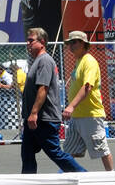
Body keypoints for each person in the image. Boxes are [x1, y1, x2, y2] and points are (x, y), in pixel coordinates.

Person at [21, 27, 86, 174]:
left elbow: (43, 88)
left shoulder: (44, 61)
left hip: (44, 118)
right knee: (27, 153)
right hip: (34, 119)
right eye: (27, 40)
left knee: (55, 152)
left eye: (31, 40)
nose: (28, 43)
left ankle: (83, 175)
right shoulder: (37, 61)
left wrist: (34, 113)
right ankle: (27, 183)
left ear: (42, 42)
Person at [61, 31, 114, 172]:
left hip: (90, 114)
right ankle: (66, 175)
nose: (70, 46)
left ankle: (112, 177)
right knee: (69, 151)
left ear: (83, 44)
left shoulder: (89, 61)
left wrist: (71, 106)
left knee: (101, 149)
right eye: (69, 43)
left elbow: (87, 87)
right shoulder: (78, 62)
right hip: (77, 116)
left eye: (74, 42)